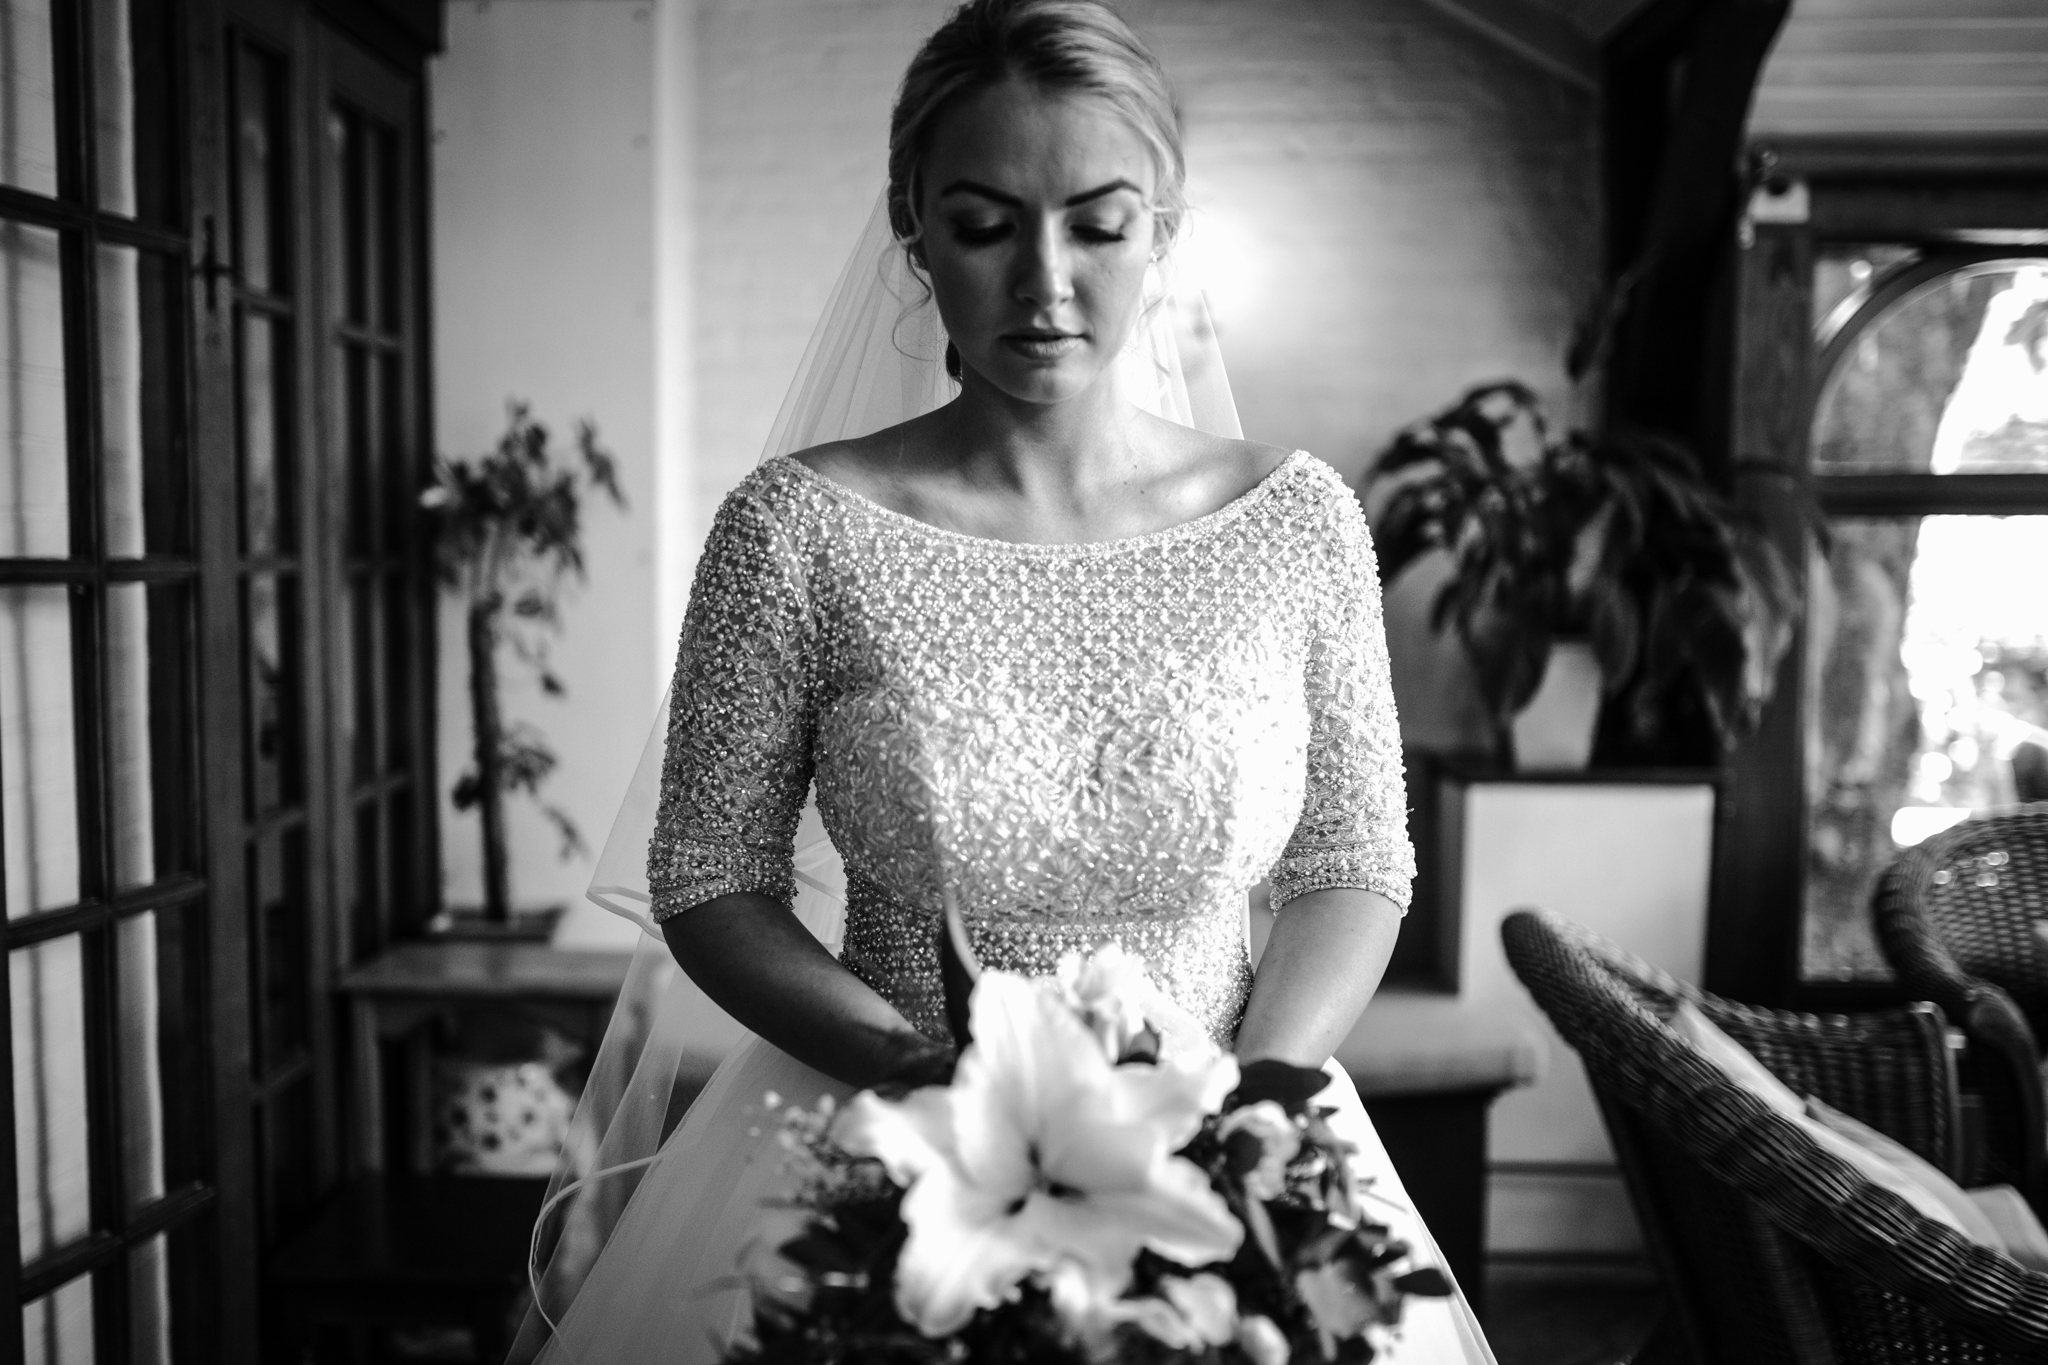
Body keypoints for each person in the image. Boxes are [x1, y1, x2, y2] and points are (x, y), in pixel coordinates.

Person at [512, 2, 1497, 1360]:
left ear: (1164, 226)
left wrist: (1250, 1104)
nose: (1045, 282)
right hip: (891, 1141)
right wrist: (931, 1082)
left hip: (1224, 1139)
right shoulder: (795, 528)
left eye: (1097, 223)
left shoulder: (1298, 523)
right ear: (913, 233)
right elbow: (709, 872)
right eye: (985, 225)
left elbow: (1352, 854)